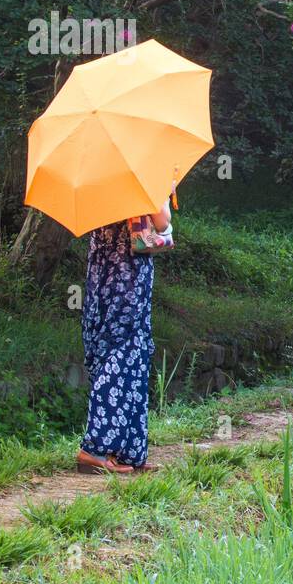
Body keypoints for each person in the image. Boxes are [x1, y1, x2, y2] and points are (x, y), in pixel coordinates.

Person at [75, 202, 171, 474]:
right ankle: (95, 449)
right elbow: (162, 223)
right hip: (127, 280)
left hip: (105, 276)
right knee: (123, 357)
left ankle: (128, 451)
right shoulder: (140, 182)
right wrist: (163, 193)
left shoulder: (105, 185)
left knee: (129, 356)